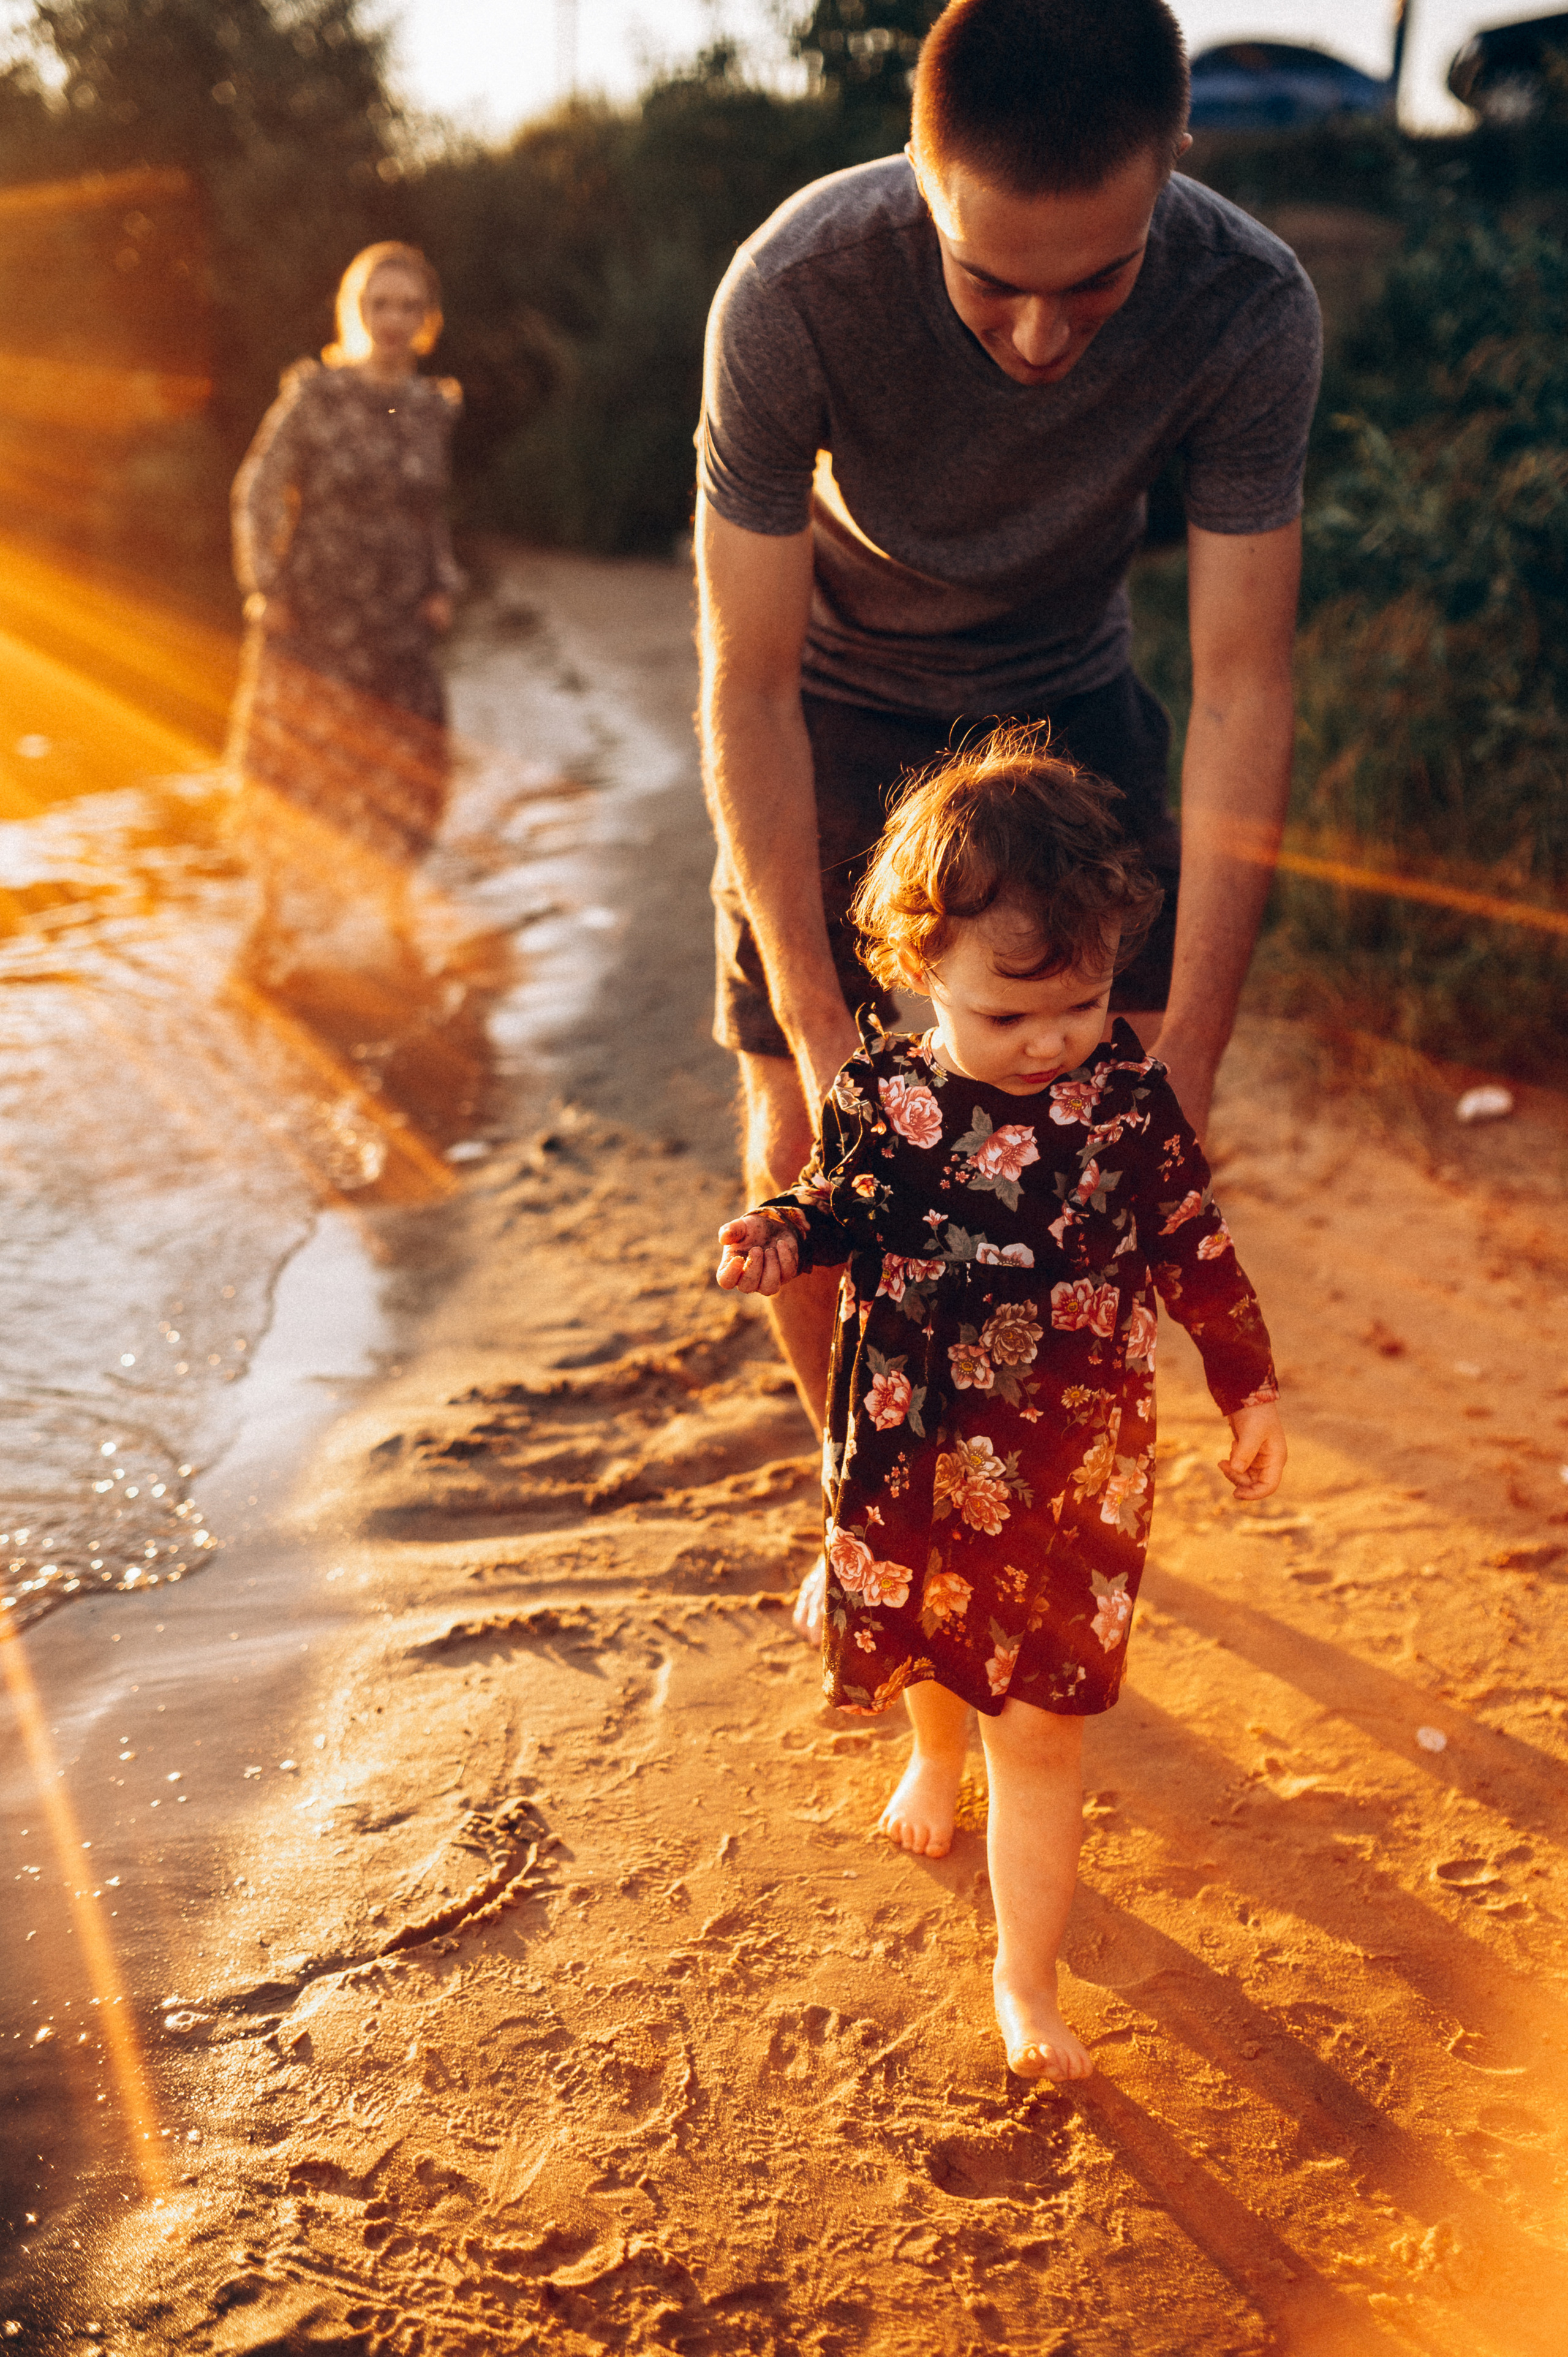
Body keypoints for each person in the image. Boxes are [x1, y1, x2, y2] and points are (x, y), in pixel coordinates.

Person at [695, 0, 1320, 1521]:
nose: (1039, 339)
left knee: (1105, 1132)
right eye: (989, 285)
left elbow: (1241, 691)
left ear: (1168, 173)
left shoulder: (1245, 303)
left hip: (1069, 689)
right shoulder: (791, 288)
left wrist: (1196, 1059)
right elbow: (747, 675)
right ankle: (867, 1491)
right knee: (802, 1121)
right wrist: (820, 1019)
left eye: (1093, 285)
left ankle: (1024, 1494)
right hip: (837, 695)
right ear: (917, 176)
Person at [715, 732, 1286, 2078]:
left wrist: (1246, 1385)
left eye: (1078, 1006)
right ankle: (928, 1758)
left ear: (1108, 965)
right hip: (915, 1444)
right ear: (920, 971)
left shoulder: (1125, 1107)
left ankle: (1022, 1980)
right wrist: (781, 1232)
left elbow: (1192, 1244)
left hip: (1071, 1468)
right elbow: (840, 1201)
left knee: (1038, 1729)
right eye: (1006, 1015)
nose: (1046, 1045)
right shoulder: (889, 1099)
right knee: (926, 1635)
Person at [227, 241, 463, 993]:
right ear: (353, 313)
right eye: (377, 304)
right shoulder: (315, 395)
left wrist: (443, 582)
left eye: (407, 306)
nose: (392, 320)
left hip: (400, 617)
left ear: (426, 319)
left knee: (409, 763)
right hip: (315, 613)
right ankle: (277, 918)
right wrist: (267, 583)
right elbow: (257, 492)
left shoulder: (431, 406)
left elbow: (432, 514)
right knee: (298, 765)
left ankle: (391, 910)